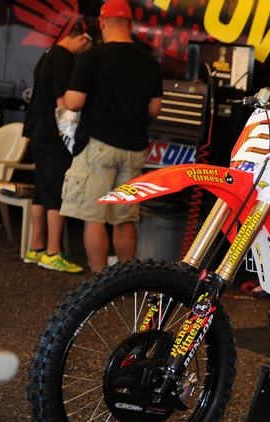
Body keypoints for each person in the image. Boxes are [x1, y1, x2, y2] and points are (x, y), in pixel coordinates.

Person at [60, 0, 163, 272]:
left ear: (103, 23)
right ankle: (125, 281)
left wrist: (64, 98)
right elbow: (155, 108)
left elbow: (74, 101)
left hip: (98, 148)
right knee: (124, 219)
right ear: (129, 24)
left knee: (94, 218)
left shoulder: (92, 57)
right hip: (134, 150)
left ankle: (99, 283)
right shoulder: (149, 61)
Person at [22, 23, 92, 273]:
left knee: (41, 192)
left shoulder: (48, 54)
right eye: (88, 45)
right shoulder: (64, 60)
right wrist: (73, 134)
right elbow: (64, 103)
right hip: (54, 135)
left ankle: (36, 248)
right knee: (56, 194)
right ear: (82, 39)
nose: (87, 50)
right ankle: (53, 253)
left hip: (37, 130)